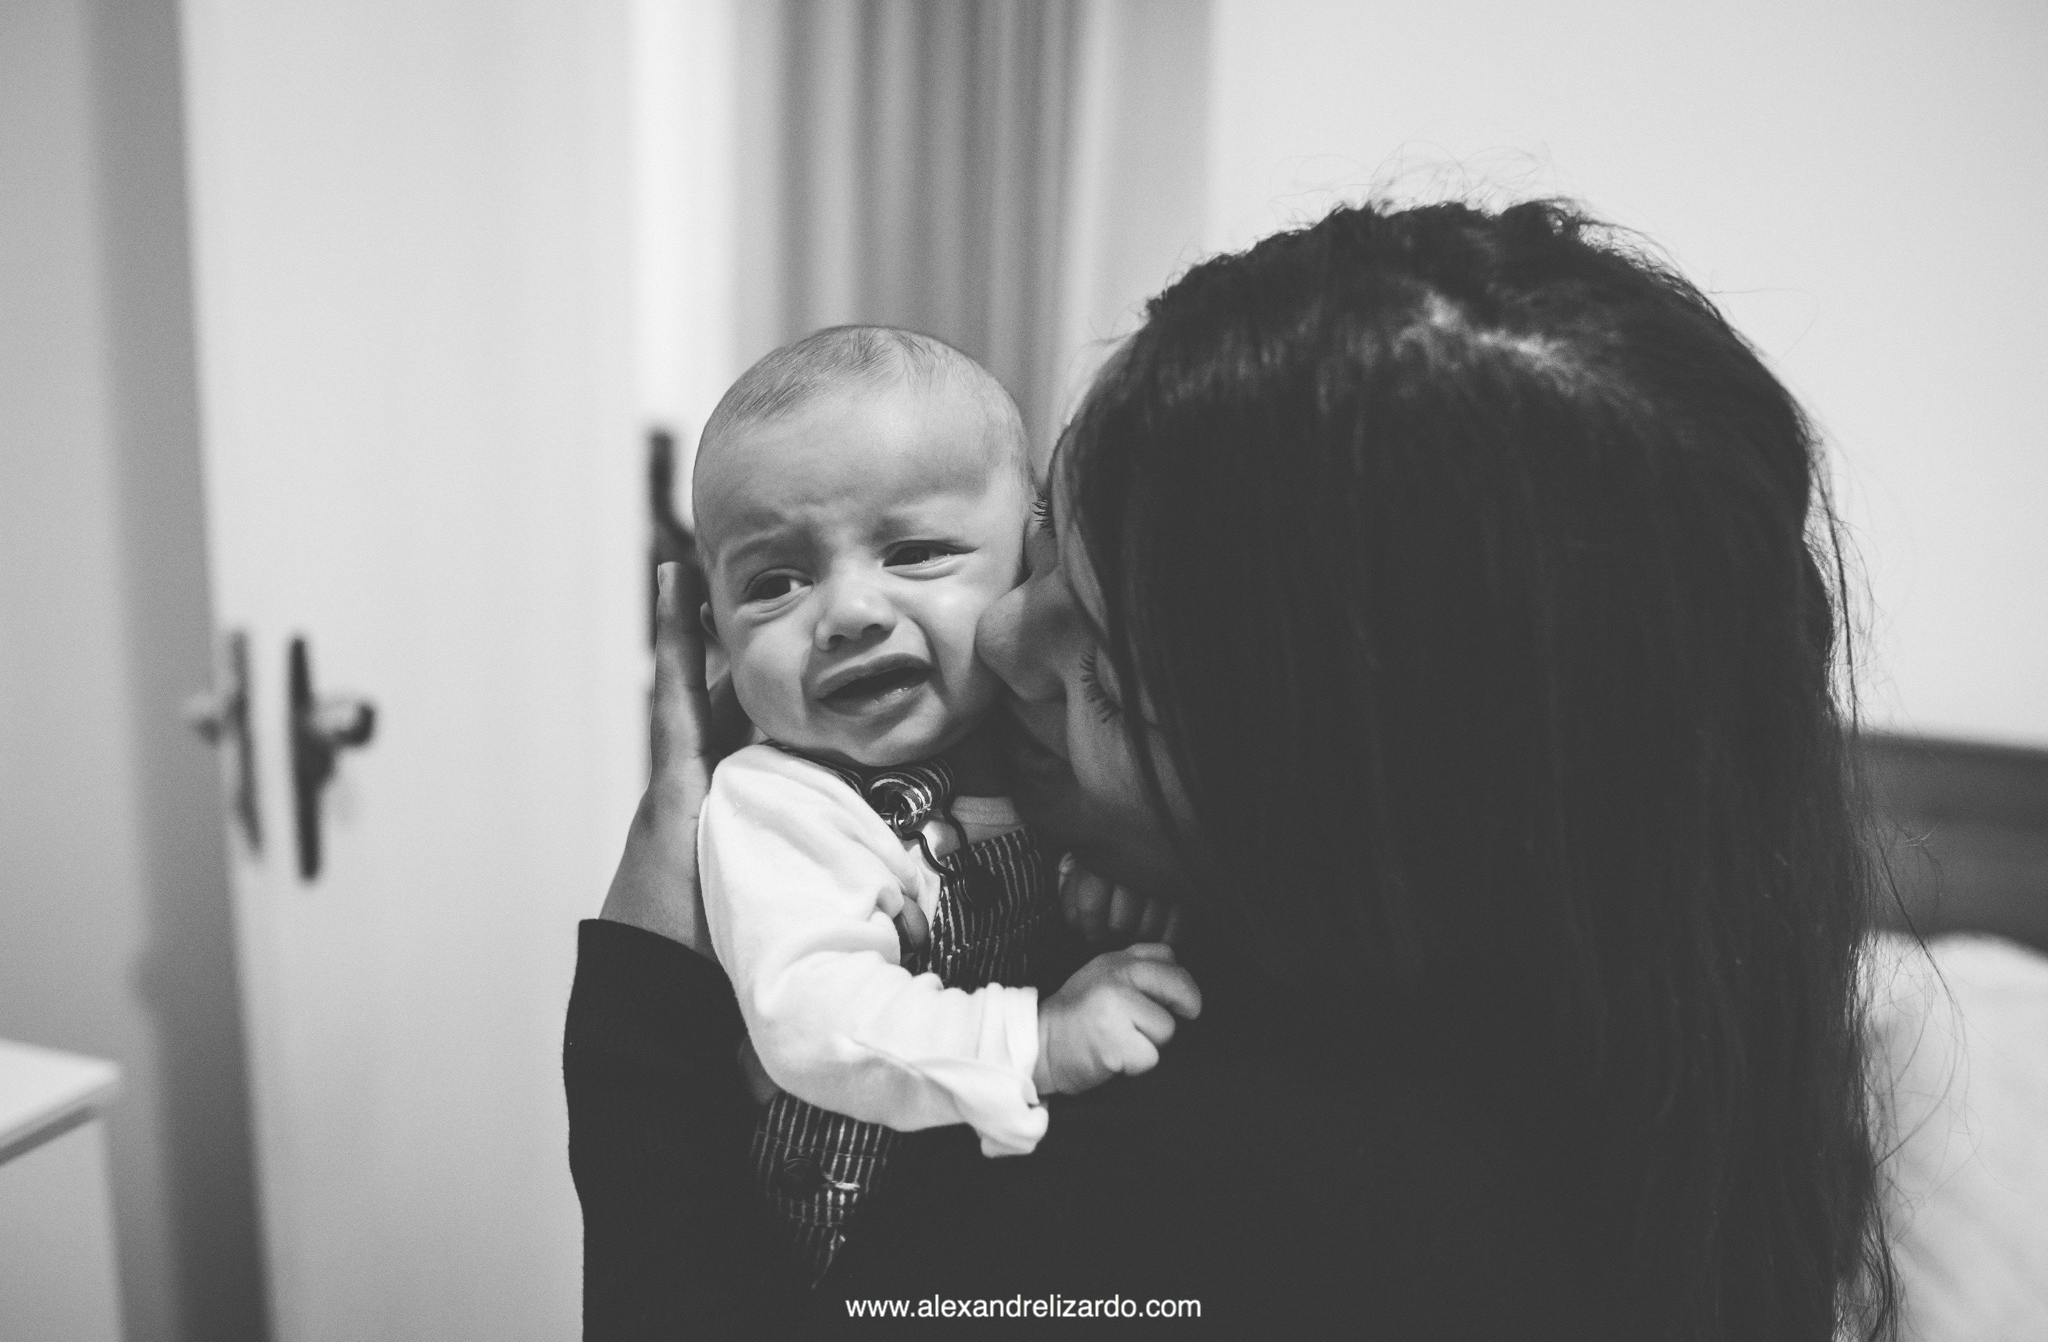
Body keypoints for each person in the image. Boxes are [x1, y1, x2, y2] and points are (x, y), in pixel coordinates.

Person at [567, 199, 1898, 1337]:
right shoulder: (1653, 1034)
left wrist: (642, 1008)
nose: (1004, 636)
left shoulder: (1172, 1198)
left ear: (1322, 803)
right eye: (1041, 553)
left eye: (1093, 647)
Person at [688, 326, 1199, 1282]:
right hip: (839, 1260)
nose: (846, 613)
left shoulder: (1031, 748)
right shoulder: (777, 802)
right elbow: (813, 1012)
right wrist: (1034, 1041)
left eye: (915, 550)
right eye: (775, 582)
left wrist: (1101, 901)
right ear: (715, 626)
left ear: (1028, 556)